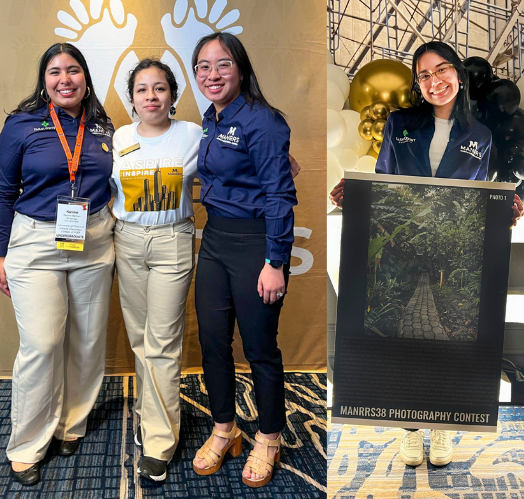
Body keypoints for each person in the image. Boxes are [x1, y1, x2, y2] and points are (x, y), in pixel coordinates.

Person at [329, 41, 523, 467]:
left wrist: (503, 209)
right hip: (403, 243)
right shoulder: (401, 123)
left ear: (458, 72)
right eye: (424, 75)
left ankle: (441, 424)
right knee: (403, 335)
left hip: (453, 248)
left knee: (450, 338)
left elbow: (476, 195)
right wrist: (358, 197)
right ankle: (411, 427)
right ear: (418, 83)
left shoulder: (481, 135)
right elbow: (384, 178)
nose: (434, 82)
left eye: (441, 70)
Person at [0, 43, 115, 487]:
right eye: (55, 71)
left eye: (74, 71)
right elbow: (3, 190)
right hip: (35, 242)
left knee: (86, 340)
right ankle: (26, 445)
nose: (65, 79)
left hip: (94, 240)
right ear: (44, 80)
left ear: (85, 78)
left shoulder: (103, 126)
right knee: (42, 345)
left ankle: (71, 425)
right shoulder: (21, 125)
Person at [189, 32, 297, 488]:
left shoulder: (263, 120)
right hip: (214, 239)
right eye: (203, 67)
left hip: (256, 245)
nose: (212, 75)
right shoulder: (210, 120)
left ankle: (269, 438)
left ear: (241, 68)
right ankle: (224, 429)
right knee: (213, 342)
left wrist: (275, 260)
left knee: (259, 350)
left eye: (223, 65)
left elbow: (279, 193)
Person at [110, 59, 199, 482]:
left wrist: (281, 159)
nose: (151, 96)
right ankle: (151, 417)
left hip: (172, 242)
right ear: (132, 100)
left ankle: (161, 440)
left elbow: (240, 159)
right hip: (127, 240)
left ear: (173, 96)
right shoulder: (120, 138)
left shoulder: (193, 135)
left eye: (159, 88)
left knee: (162, 343)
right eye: (142, 90)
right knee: (140, 340)